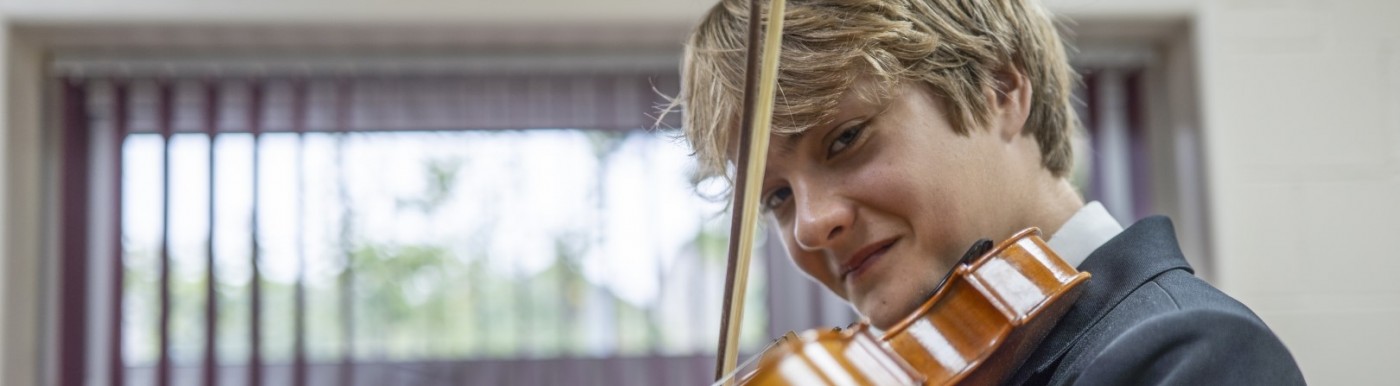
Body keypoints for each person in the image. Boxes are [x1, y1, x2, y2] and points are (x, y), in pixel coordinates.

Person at [670, 0, 1306, 384]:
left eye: (845, 139)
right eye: (776, 196)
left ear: (998, 91)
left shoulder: (1191, 355)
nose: (809, 226)